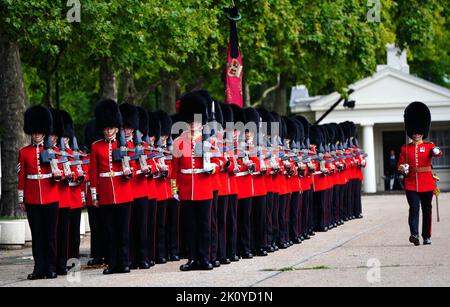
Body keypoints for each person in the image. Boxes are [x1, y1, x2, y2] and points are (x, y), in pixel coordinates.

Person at [172, 91, 218, 271]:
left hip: (204, 187)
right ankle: (192, 258)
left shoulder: (210, 141)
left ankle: (204, 258)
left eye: (196, 122)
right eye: (190, 121)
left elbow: (220, 160)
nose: (193, 125)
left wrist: (212, 167)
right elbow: (174, 168)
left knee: (205, 226)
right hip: (185, 189)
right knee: (189, 227)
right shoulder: (178, 142)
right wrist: (174, 188)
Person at [89, 99, 134, 274]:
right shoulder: (96, 147)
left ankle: (123, 263)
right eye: (106, 128)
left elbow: (136, 167)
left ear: (116, 127)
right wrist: (95, 195)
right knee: (109, 231)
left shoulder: (127, 145)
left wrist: (129, 169)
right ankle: (112, 263)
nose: (108, 131)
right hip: (106, 194)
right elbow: (93, 173)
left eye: (111, 128)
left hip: (123, 191)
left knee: (123, 230)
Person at [18, 105, 61, 280]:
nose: (36, 135)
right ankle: (38, 268)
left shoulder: (54, 152)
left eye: (39, 132)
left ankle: (50, 267)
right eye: (34, 132)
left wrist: (58, 174)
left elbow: (63, 172)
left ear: (44, 132)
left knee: (50, 235)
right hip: (33, 199)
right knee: (37, 236)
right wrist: (22, 198)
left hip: (50, 197)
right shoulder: (24, 152)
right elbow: (22, 177)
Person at [397, 101, 443, 246]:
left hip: (427, 183)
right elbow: (400, 165)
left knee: (427, 210)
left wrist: (436, 151)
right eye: (414, 131)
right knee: (414, 209)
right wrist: (402, 168)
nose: (416, 134)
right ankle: (414, 234)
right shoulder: (405, 148)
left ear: (423, 130)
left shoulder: (429, 146)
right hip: (411, 183)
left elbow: (438, 153)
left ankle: (427, 236)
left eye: (418, 131)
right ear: (410, 131)